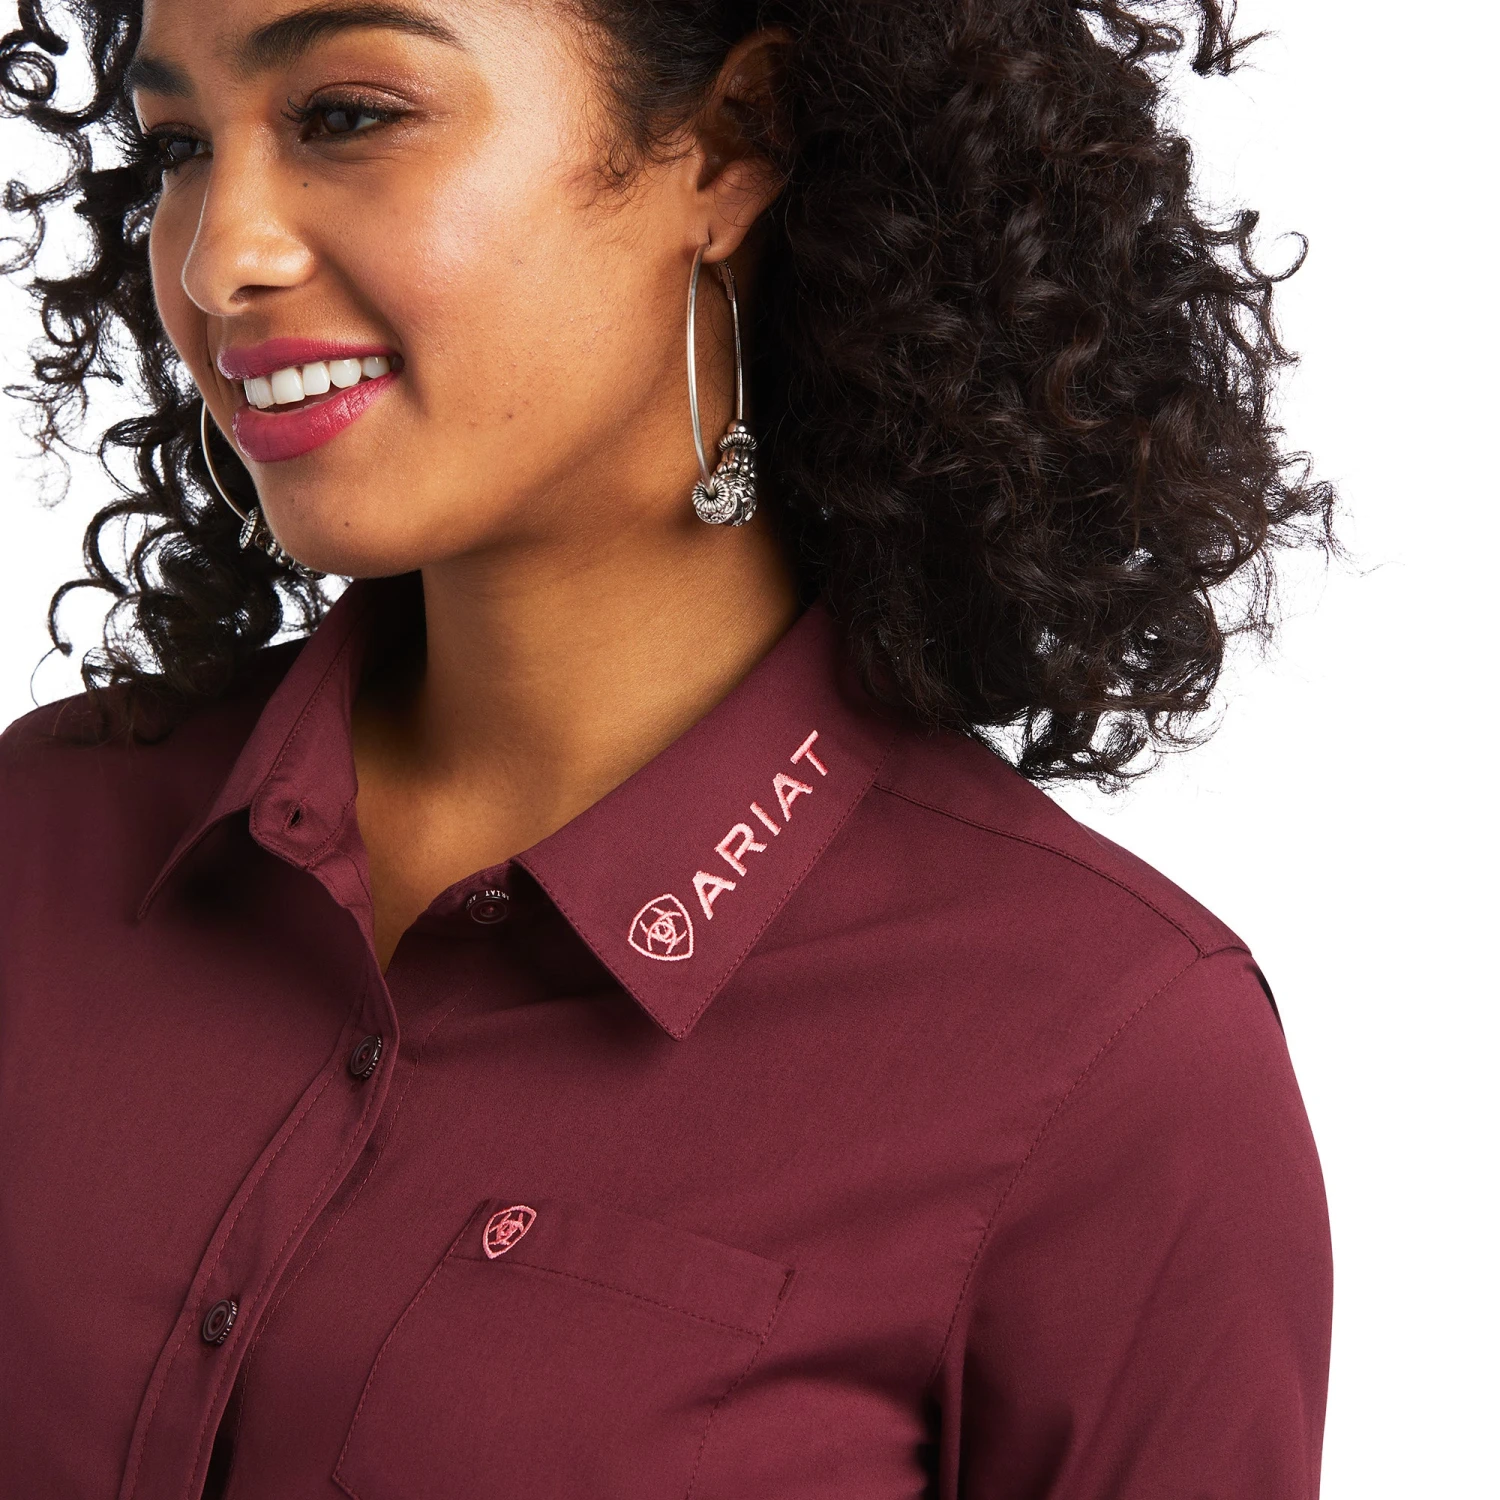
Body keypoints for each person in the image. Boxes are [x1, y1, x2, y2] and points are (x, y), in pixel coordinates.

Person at [0, 0, 1336, 1495]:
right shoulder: (39, 848)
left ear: (728, 147)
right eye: (179, 146)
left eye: (347, 116)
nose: (216, 256)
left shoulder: (1107, 1061)